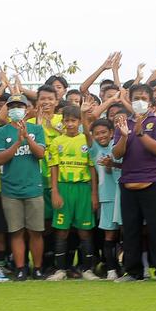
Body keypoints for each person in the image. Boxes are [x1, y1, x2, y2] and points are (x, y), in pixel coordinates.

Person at [112, 83, 156, 282]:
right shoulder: (123, 123)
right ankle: (133, 272)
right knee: (130, 231)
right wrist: (123, 136)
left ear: (150, 101)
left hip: (153, 183)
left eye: (144, 98)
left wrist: (140, 133)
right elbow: (117, 154)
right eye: (136, 98)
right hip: (128, 184)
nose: (140, 101)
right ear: (130, 100)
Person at [0, 95, 46, 281]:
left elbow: (40, 154)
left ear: (27, 109)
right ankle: (21, 267)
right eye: (12, 106)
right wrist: (17, 142)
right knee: (16, 231)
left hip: (33, 188)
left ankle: (37, 268)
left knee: (36, 232)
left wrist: (27, 139)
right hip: (11, 190)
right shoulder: (1, 132)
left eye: (20, 106)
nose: (16, 109)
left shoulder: (36, 129)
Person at [46, 106, 97, 280]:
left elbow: (92, 169)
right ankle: (60, 270)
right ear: (62, 122)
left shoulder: (86, 140)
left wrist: (94, 194)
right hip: (64, 187)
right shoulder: (57, 142)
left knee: (85, 230)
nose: (70, 124)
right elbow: (54, 168)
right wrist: (55, 191)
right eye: (66, 121)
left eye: (73, 120)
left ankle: (87, 269)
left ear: (80, 122)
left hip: (83, 189)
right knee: (62, 230)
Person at [89, 118, 123, 279]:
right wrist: (83, 113)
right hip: (107, 196)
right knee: (109, 234)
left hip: (124, 194)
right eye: (97, 133)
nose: (101, 136)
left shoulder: (118, 145)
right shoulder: (94, 149)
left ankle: (128, 267)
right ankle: (111, 270)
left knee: (125, 233)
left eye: (104, 132)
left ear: (111, 133)